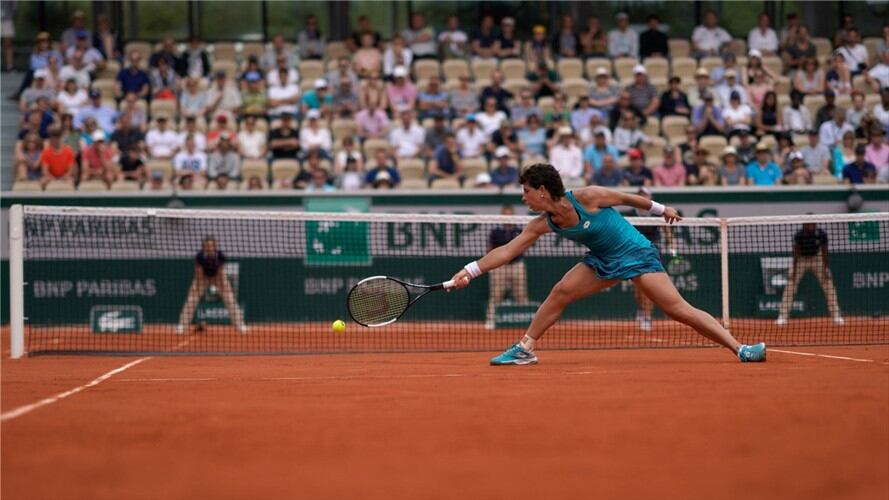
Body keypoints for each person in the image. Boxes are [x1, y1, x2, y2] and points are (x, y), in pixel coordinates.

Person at [450, 163, 766, 365]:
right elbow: (506, 251)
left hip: (637, 255)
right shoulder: (542, 223)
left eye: (526, 191)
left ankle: (740, 349)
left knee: (677, 310)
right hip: (602, 261)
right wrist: (470, 270)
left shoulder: (588, 196)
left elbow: (629, 198)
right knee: (561, 291)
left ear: (543, 191)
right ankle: (525, 348)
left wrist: (661, 209)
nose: (523, 198)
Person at [776, 222, 844, 327]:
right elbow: (796, 253)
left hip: (817, 258)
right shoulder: (799, 235)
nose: (810, 226)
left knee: (829, 286)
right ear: (804, 225)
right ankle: (782, 317)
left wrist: (826, 269)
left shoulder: (821, 234)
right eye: (808, 224)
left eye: (812, 224)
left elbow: (824, 251)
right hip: (801, 260)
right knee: (790, 286)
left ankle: (836, 316)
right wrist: (794, 271)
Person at [177, 236, 246, 334]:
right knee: (191, 299)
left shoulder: (220, 256)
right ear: (204, 247)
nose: (209, 247)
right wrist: (196, 288)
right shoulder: (200, 256)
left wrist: (224, 286)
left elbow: (221, 272)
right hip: (203, 278)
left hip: (217, 278)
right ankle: (182, 326)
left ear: (214, 246)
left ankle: (240, 325)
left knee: (230, 299)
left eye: (211, 245)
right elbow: (198, 274)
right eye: (207, 245)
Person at [628, 187, 675, 331]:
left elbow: (666, 229)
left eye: (645, 195)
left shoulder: (656, 213)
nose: (643, 197)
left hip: (651, 252)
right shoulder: (630, 215)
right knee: (637, 288)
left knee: (649, 287)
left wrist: (671, 244)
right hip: (632, 252)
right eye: (641, 195)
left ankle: (647, 317)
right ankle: (642, 310)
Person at [484, 205, 530, 329]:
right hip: (500, 267)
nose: (508, 217)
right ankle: (491, 320)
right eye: (506, 215)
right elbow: (489, 249)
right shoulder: (496, 232)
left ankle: (525, 320)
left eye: (510, 214)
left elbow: (526, 245)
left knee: (521, 294)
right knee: (496, 294)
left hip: (517, 265)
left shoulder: (520, 231)